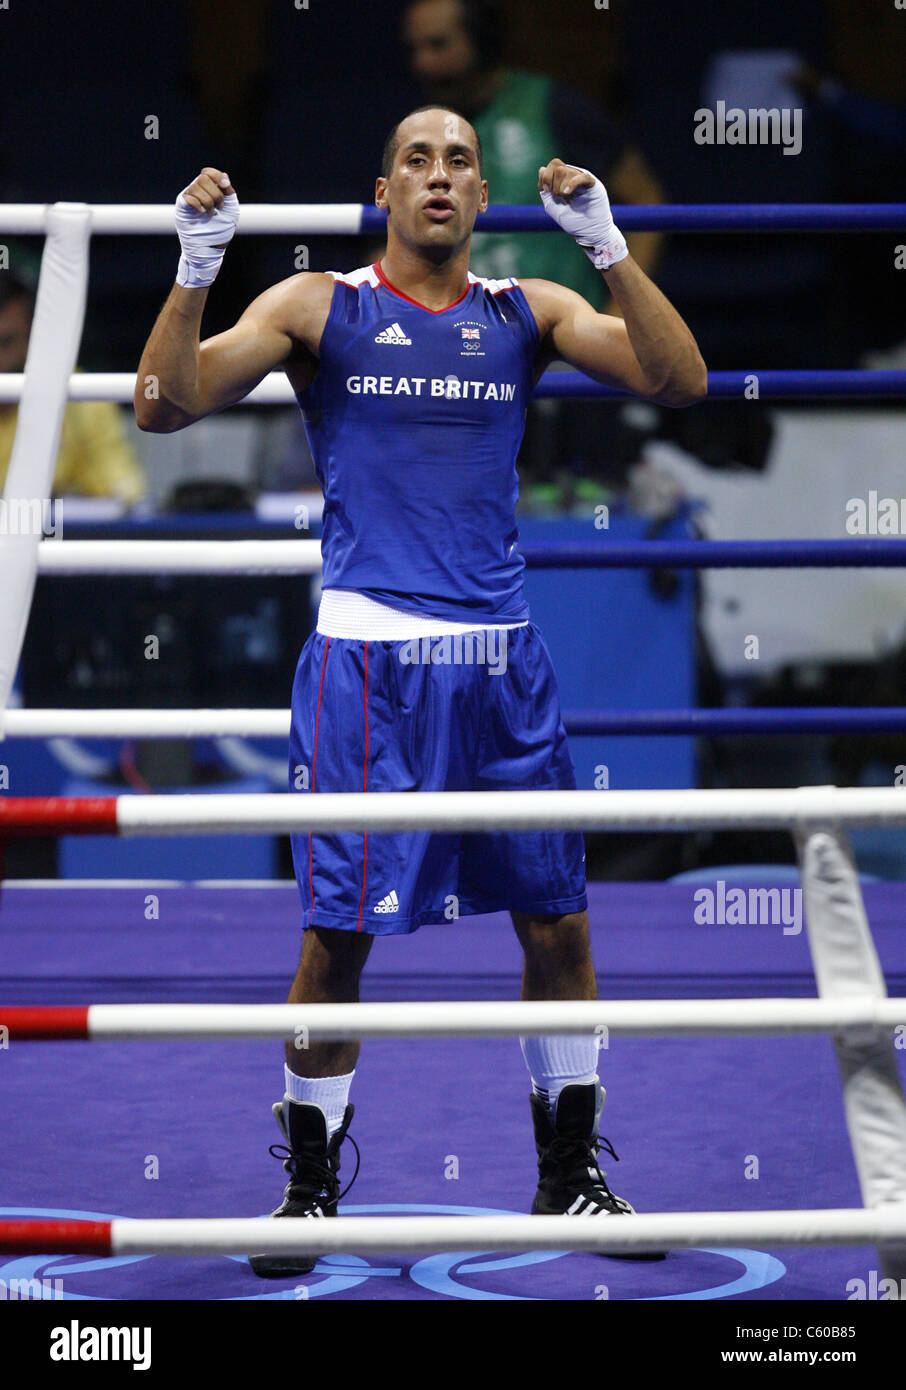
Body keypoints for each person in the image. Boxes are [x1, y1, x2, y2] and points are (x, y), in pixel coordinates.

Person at [134, 105, 706, 1278]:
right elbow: (162, 401)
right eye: (417, 161)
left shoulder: (526, 312)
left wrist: (605, 242)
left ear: (481, 197)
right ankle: (305, 1192)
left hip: (502, 663)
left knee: (559, 924)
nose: (439, 177)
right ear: (382, 190)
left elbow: (680, 378)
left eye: (459, 161)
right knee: (337, 939)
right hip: (368, 671)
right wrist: (196, 267)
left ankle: (570, 1178)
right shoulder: (317, 308)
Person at [401, 0, 667, 511]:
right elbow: (392, 237)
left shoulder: (552, 108)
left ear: (481, 42)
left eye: (438, 45)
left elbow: (648, 200)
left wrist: (618, 314)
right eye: (414, 49)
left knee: (574, 504)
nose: (423, 64)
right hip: (461, 349)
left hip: (560, 349)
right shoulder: (420, 132)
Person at [0, 273, 146, 503]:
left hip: (57, 537)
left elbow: (124, 493)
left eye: (6, 342)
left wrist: (60, 499)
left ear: (34, 336)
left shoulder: (81, 396)